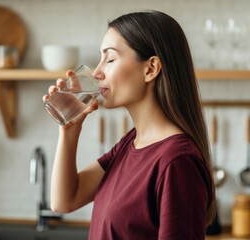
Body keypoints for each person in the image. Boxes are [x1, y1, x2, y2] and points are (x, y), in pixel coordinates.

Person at [43, 10, 216, 240]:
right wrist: (69, 131)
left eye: (110, 58)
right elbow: (64, 201)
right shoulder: (130, 143)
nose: (96, 72)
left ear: (151, 69)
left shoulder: (177, 162)